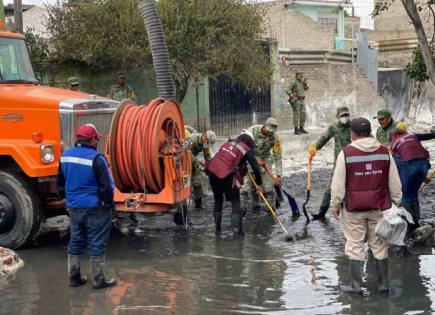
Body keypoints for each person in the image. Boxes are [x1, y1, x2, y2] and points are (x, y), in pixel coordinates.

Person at [331, 117, 402, 294]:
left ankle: (355, 287)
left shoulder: (346, 153)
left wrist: (335, 204)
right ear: (370, 131)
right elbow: (395, 182)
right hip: (379, 207)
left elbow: (338, 183)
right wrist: (395, 202)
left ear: (352, 134)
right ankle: (384, 286)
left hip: (354, 208)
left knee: (354, 244)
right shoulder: (384, 151)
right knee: (379, 244)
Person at [57, 124, 117, 289]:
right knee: (97, 242)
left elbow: (60, 184)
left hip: (74, 208)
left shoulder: (65, 156)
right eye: (96, 139)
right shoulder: (97, 159)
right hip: (95, 208)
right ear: (91, 140)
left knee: (76, 240)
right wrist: (109, 204)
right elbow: (107, 187)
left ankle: (74, 278)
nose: (97, 142)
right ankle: (99, 280)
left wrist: (66, 200)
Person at [205, 129, 263, 237]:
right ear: (250, 141)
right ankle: (237, 233)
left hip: (212, 172)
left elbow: (228, 158)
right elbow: (256, 169)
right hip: (226, 175)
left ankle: (217, 231)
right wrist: (259, 184)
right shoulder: (246, 149)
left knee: (218, 200)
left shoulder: (228, 143)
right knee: (235, 201)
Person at [390, 122, 435, 228]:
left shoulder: (394, 144)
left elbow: (398, 165)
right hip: (424, 164)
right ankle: (416, 220)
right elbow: (428, 136)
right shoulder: (413, 136)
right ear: (406, 130)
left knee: (405, 195)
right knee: (414, 193)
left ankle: (409, 223)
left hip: (409, 165)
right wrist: (424, 178)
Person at [310, 106, 352, 220]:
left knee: (352, 187)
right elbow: (324, 138)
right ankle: (321, 212)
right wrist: (315, 147)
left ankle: (352, 213)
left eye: (346, 115)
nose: (345, 118)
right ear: (337, 116)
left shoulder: (353, 126)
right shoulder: (333, 127)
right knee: (330, 187)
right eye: (342, 116)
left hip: (353, 162)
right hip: (338, 162)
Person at [241, 117, 282, 213]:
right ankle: (246, 208)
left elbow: (277, 155)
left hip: (265, 160)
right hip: (251, 158)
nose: (269, 134)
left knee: (268, 187)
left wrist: (279, 175)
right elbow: (244, 149)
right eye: (268, 131)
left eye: (272, 132)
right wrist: (255, 159)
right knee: (247, 186)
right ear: (264, 126)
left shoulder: (275, 138)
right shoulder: (252, 131)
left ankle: (271, 209)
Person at [187, 130, 216, 210]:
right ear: (205, 137)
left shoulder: (205, 143)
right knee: (184, 183)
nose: (206, 144)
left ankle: (198, 205)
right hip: (185, 161)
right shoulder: (192, 139)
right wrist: (199, 162)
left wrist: (210, 165)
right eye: (207, 141)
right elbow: (186, 152)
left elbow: (207, 155)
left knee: (197, 181)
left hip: (194, 162)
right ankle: (181, 205)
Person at [286, 70, 309, 135]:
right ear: (297, 76)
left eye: (302, 75)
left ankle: (301, 128)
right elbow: (287, 90)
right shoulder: (294, 82)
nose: (302, 76)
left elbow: (306, 89)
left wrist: (305, 83)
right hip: (296, 101)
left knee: (303, 114)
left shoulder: (302, 82)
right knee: (296, 115)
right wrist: (292, 96)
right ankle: (296, 130)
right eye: (300, 75)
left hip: (302, 100)